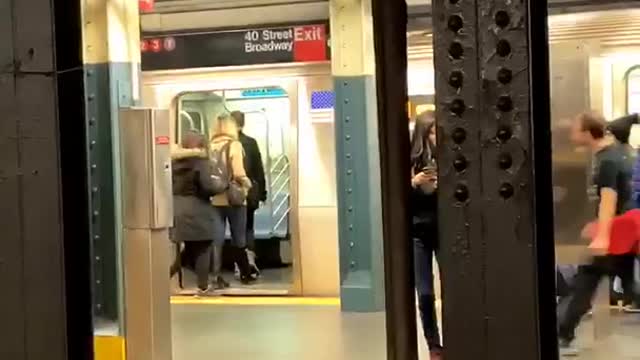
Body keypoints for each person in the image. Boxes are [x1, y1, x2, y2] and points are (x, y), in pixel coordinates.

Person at [558, 112, 638, 356]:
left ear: (586, 132)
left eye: (575, 130)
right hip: (623, 230)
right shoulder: (616, 152)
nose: (572, 135)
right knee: (627, 283)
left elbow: (608, 198)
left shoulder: (607, 160)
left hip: (616, 232)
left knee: (587, 280)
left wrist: (602, 233)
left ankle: (564, 332)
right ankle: (564, 330)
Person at [409, 111, 443, 360]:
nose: (437, 136)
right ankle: (434, 345)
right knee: (425, 292)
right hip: (418, 232)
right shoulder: (412, 162)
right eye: (432, 131)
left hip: (443, 229)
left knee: (452, 287)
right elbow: (397, 200)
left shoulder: (449, 158)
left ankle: (454, 336)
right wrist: (413, 182)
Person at [170, 131, 219, 294]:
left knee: (190, 248)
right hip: (197, 209)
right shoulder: (200, 162)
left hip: (178, 209)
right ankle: (203, 286)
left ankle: (163, 277)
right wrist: (223, 185)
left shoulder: (174, 163)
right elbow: (207, 187)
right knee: (203, 246)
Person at [210, 113, 256, 284]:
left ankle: (215, 276)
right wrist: (247, 184)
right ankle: (245, 273)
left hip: (215, 198)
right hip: (234, 198)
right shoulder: (234, 145)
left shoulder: (209, 146)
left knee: (217, 239)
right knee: (239, 238)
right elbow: (238, 172)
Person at [231, 110, 266, 276]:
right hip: (248, 191)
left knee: (234, 230)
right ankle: (250, 262)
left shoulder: (223, 144)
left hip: (229, 192)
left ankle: (238, 265)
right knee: (248, 228)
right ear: (243, 123)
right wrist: (262, 193)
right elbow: (259, 170)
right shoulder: (251, 142)